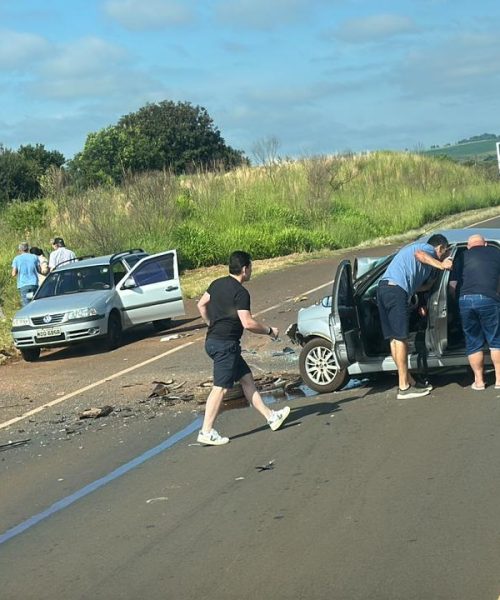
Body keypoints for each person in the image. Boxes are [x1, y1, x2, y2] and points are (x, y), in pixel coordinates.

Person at [196, 250, 290, 445]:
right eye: (251, 267)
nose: (251, 271)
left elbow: (201, 305)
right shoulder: (241, 293)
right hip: (225, 346)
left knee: (247, 380)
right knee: (220, 388)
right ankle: (206, 431)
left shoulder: (216, 284)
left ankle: (271, 417)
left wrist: (211, 324)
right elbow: (247, 323)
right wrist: (269, 331)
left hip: (213, 341)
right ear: (245, 269)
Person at [377, 233, 453, 399]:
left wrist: (430, 285)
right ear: (440, 248)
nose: (444, 256)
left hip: (384, 289)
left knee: (394, 339)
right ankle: (403, 387)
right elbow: (420, 255)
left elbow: (420, 287)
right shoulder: (426, 249)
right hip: (396, 291)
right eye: (445, 253)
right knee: (401, 338)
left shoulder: (423, 266)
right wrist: (441, 265)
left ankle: (408, 380)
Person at [454, 234, 500, 390]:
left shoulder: (461, 256)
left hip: (465, 300)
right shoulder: (495, 252)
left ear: (468, 246)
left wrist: (456, 303)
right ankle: (499, 380)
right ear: (485, 244)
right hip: (488, 298)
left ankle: (479, 381)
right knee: (495, 340)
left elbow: (452, 285)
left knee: (473, 341)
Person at [11, 242, 40, 306]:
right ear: (28, 248)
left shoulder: (16, 259)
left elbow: (13, 273)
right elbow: (39, 270)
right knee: (35, 302)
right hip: (34, 283)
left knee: (26, 304)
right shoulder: (34, 257)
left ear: (20, 249)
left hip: (23, 284)